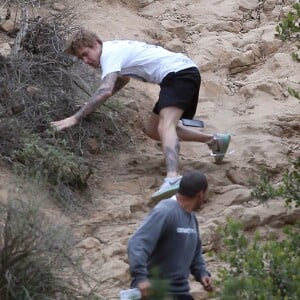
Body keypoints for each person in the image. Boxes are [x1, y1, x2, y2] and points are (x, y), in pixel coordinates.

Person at [50, 29, 231, 202]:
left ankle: (173, 178)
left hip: (178, 74)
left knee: (165, 125)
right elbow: (122, 80)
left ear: (96, 44)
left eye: (86, 54)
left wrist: (75, 117)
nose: (85, 61)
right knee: (153, 130)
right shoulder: (113, 51)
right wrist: (92, 103)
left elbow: (105, 90)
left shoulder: (109, 54)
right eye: (81, 58)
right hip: (178, 74)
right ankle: (215, 140)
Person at [127, 170, 212, 300]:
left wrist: (202, 273)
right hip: (153, 291)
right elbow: (137, 243)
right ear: (200, 194)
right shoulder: (165, 211)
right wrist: (140, 277)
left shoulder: (192, 218)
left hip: (179, 292)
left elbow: (195, 253)